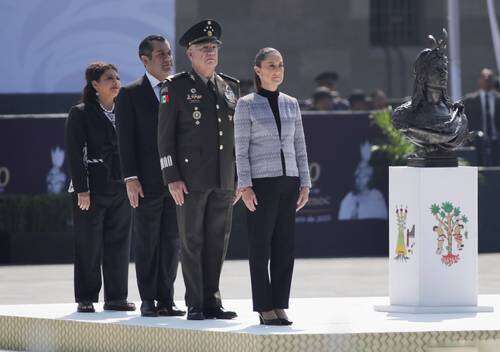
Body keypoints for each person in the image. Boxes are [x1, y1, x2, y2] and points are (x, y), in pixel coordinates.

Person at [157, 19, 240, 320]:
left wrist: (239, 177)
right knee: (192, 240)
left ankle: (212, 300)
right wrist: (172, 177)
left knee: (218, 240)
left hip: (223, 177)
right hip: (190, 180)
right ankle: (194, 301)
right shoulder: (175, 87)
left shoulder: (230, 87)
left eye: (214, 47)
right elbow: (164, 138)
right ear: (189, 54)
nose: (210, 52)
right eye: (203, 48)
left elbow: (235, 138)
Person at [234, 47, 311, 326]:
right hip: (261, 184)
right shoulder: (246, 104)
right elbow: (240, 150)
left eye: (280, 65)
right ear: (258, 70)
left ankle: (279, 304)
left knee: (284, 246)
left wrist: (305, 183)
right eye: (271, 65)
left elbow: (299, 146)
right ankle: (264, 306)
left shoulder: (292, 103)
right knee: (260, 246)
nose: (277, 70)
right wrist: (245, 186)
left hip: (289, 182)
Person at [115, 35, 184, 317]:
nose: (168, 59)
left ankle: (167, 299)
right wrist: (130, 178)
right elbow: (125, 140)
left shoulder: (181, 88)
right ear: (145, 60)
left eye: (169, 53)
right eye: (160, 55)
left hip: (178, 181)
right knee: (147, 241)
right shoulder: (130, 94)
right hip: (146, 181)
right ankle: (148, 300)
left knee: (172, 241)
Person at [65, 62, 135, 313]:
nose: (116, 82)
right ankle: (86, 297)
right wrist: (82, 189)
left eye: (117, 77)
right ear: (95, 85)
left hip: (120, 187)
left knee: (119, 243)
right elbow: (74, 154)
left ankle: (116, 298)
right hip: (91, 190)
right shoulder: (81, 113)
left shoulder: (126, 110)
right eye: (109, 78)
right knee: (88, 244)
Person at [463, 68, 500, 166]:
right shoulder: (470, 100)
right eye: (484, 77)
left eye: (490, 77)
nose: (487, 79)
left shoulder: (498, 99)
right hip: (477, 142)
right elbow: (466, 122)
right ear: (479, 80)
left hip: (496, 141)